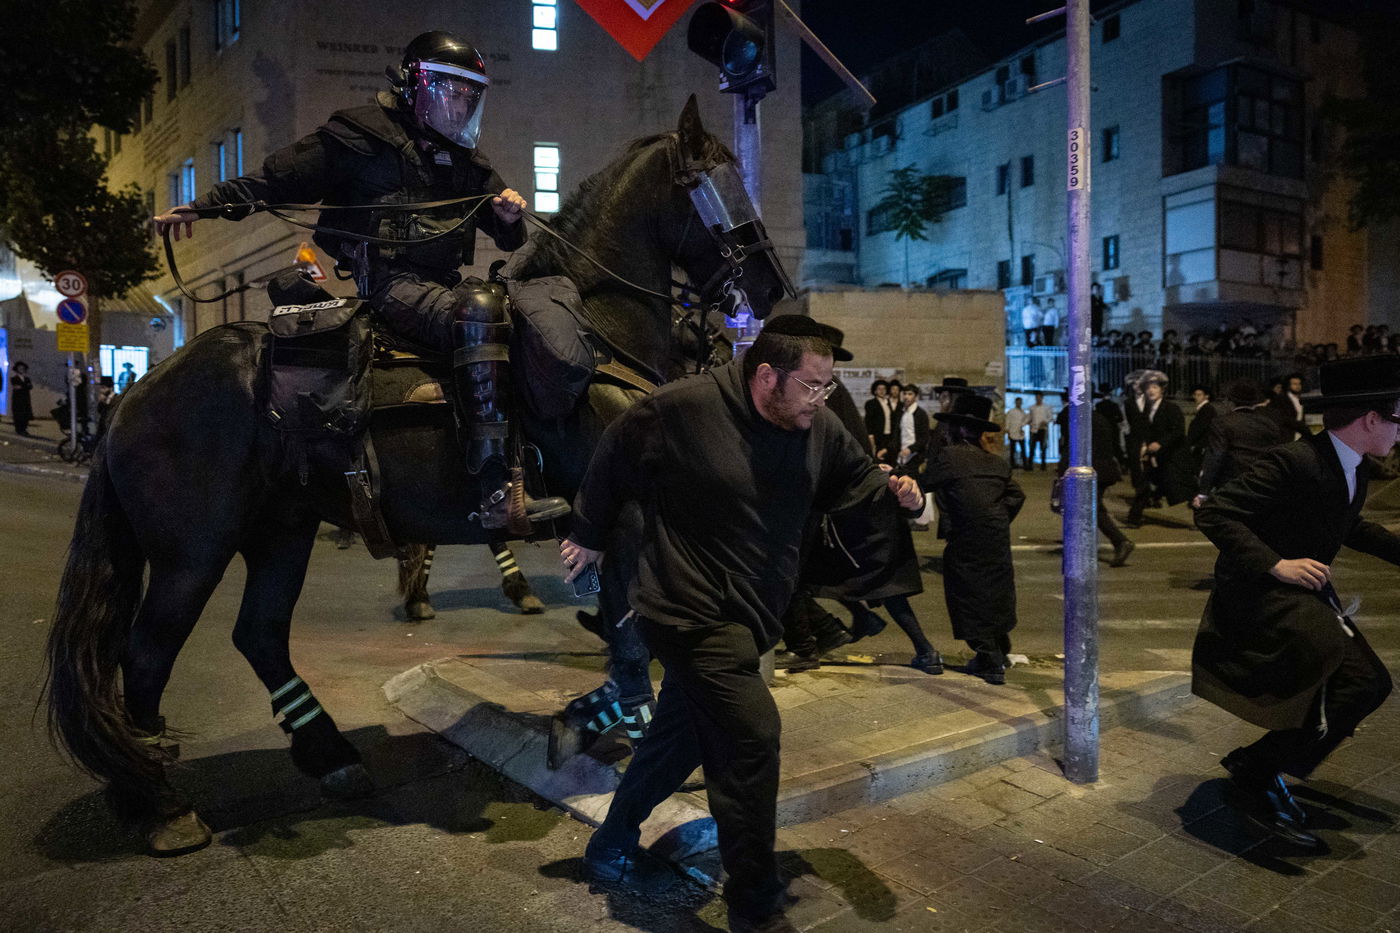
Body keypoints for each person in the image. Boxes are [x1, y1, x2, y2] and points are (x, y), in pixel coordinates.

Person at [558, 316, 922, 931]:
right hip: (685, 608)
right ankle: (754, 905)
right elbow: (613, 455)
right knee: (750, 737)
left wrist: (898, 493)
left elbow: (854, 479)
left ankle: (609, 846)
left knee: (681, 736)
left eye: (827, 387)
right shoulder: (683, 408)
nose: (820, 399)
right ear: (765, 377)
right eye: (810, 386)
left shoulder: (817, 427)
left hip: (754, 612)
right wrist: (588, 536)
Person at [152, 31, 567, 534]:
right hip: (392, 284)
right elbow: (276, 180)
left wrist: (506, 215)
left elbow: (507, 240)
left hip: (442, 283)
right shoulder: (359, 135)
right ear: (414, 85)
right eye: (448, 92)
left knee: (521, 315)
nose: (458, 107)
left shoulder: (464, 159)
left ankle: (536, 463)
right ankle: (496, 487)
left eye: (467, 96)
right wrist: (203, 205)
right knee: (479, 309)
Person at [1192, 356, 1400, 849]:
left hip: (1300, 596)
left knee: (1368, 683)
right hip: (1264, 597)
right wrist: (1275, 563)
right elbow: (1218, 513)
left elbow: (1347, 526)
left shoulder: (1352, 465)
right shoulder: (1297, 460)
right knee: (1358, 680)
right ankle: (1256, 771)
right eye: (1398, 417)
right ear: (1370, 420)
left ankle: (1262, 766)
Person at [922, 393, 1025, 684]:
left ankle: (989, 659)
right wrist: (996, 517)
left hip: (967, 538)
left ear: (961, 429)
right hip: (995, 538)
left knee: (967, 595)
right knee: (995, 592)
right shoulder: (995, 463)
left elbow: (923, 483)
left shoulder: (951, 457)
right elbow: (1017, 494)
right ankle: (998, 647)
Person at [1056, 398, 1134, 566]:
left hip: (1088, 470)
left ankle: (1120, 541)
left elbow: (1071, 448)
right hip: (1104, 470)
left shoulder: (1076, 419)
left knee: (1089, 509)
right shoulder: (1099, 418)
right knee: (1091, 508)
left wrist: (1063, 472)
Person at [1194, 379, 1288, 508]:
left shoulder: (1222, 423)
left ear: (1231, 402)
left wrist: (1203, 492)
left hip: (1233, 483)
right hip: (1264, 482)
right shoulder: (1269, 424)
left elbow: (1215, 457)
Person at [1125, 373, 1185, 526]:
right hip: (1153, 456)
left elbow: (1178, 431)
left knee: (1180, 487)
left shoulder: (1171, 408)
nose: (1151, 391)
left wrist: (1160, 443)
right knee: (1144, 485)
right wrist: (1144, 446)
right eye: (1148, 388)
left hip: (1169, 455)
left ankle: (1201, 514)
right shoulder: (1146, 409)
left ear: (1162, 390)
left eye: (1155, 387)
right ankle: (1134, 518)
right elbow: (1144, 430)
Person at [893, 383, 931, 475]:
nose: (906, 397)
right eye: (905, 394)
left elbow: (925, 437)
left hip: (915, 456)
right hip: (901, 456)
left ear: (916, 397)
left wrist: (910, 449)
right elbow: (898, 434)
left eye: (910, 394)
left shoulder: (921, 414)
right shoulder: (901, 412)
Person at [1269, 372, 1310, 441]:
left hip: (1300, 435)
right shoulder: (1281, 399)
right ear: (1289, 385)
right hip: (1287, 434)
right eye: (1294, 384)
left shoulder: (1302, 398)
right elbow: (1284, 417)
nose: (1297, 386)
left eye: (1299, 384)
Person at [863, 379, 896, 464]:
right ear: (875, 391)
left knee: (888, 458)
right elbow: (868, 420)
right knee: (878, 458)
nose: (882, 391)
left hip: (889, 435)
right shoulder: (871, 403)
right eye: (879, 389)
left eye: (884, 389)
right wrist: (871, 436)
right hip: (877, 436)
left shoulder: (888, 402)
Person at [1026, 391, 1054, 470]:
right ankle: (1030, 465)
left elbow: (1051, 417)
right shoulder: (1032, 407)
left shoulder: (1047, 407)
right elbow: (1029, 418)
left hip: (1043, 429)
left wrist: (1045, 422)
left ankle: (1043, 465)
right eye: (1036, 397)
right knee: (1032, 447)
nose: (1037, 399)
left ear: (1042, 398)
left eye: (1039, 397)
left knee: (1043, 447)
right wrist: (1026, 423)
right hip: (1033, 430)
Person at [1003, 396, 1029, 469]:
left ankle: (1025, 464)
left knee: (1023, 449)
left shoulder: (1023, 412)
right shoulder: (1011, 411)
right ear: (1015, 402)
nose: (1019, 403)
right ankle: (1012, 465)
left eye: (1020, 402)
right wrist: (1007, 432)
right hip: (1012, 433)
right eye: (1018, 402)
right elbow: (1007, 422)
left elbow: (1025, 421)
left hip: (1020, 433)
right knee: (1012, 450)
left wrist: (1022, 426)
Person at [8, 361, 33, 436]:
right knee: (18, 415)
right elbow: (17, 387)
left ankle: (24, 429)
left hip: (26, 399)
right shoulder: (14, 378)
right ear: (17, 369)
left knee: (26, 414)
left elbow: (30, 387)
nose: (21, 369)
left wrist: (23, 386)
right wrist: (25, 386)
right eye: (20, 368)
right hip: (17, 400)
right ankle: (19, 429)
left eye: (23, 368)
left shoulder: (27, 378)